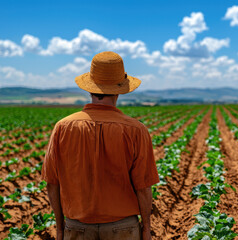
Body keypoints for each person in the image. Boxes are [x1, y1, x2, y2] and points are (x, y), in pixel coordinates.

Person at [42, 51, 159, 240]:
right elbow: (143, 187)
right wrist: (146, 228)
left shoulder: (63, 127)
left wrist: (60, 227)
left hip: (77, 227)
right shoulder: (136, 130)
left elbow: (52, 183)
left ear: (90, 88)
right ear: (120, 89)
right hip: (123, 229)